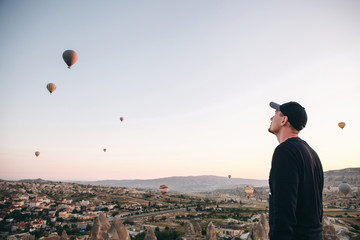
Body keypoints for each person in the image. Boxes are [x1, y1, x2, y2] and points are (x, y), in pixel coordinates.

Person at [268, 101, 324, 240]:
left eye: (275, 114)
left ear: (283, 120)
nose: (271, 118)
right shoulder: (312, 153)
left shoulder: (285, 151)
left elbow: (283, 210)